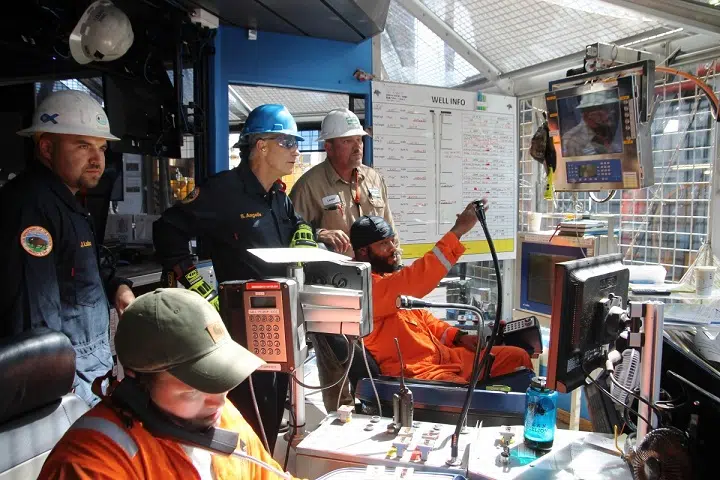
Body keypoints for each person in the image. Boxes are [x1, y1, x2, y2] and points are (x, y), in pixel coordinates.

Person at [153, 104, 344, 451]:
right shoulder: (222, 191)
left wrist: (306, 234)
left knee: (271, 417)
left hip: (280, 325)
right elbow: (168, 230)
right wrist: (195, 283)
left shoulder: (278, 196)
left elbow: (297, 222)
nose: (296, 151)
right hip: (239, 330)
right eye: (288, 142)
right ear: (261, 146)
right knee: (246, 422)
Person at [39, 288, 304, 480]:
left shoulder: (220, 415)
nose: (218, 400)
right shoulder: (90, 466)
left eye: (219, 380)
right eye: (193, 389)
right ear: (137, 385)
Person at [0, 89, 135, 407]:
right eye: (83, 145)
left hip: (87, 374)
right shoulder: (32, 208)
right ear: (47, 148)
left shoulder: (65, 202)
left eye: (101, 148)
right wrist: (62, 396)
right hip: (66, 386)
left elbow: (80, 268)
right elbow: (34, 320)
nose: (97, 159)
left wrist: (117, 286)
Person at [351, 204, 533, 385]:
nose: (393, 248)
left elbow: (426, 321)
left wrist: (459, 336)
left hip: (447, 358)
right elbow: (417, 277)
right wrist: (457, 231)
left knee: (517, 357)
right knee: (464, 394)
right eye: (384, 244)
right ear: (363, 251)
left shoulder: (387, 279)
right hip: (419, 371)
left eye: (392, 241)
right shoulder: (366, 289)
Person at [289, 108, 396, 257]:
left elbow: (390, 230)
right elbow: (290, 232)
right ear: (328, 147)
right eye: (347, 141)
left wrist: (396, 263)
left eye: (359, 140)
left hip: (377, 269)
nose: (357, 147)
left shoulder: (374, 178)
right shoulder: (308, 187)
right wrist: (318, 234)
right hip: (336, 270)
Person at [561, 91, 623, 158]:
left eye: (611, 107)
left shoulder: (606, 131)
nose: (612, 112)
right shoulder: (573, 139)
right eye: (605, 108)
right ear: (588, 114)